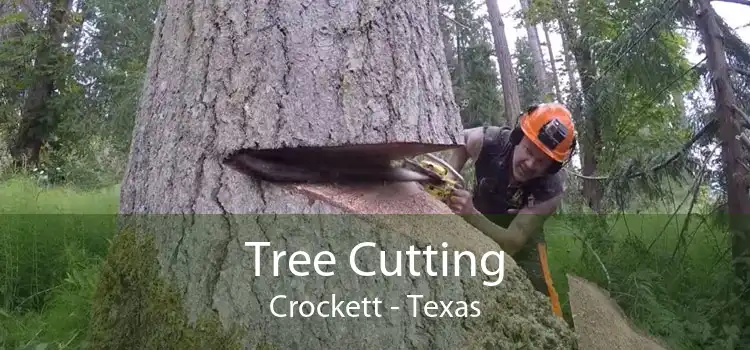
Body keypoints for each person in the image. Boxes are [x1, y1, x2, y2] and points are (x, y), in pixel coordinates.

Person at [445, 103, 577, 319]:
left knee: (543, 297)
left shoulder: (551, 188)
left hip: (522, 240)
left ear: (552, 167)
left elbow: (513, 243)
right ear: (518, 137)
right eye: (528, 150)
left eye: (542, 161)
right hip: (479, 216)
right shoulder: (491, 140)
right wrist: (450, 178)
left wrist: (469, 214)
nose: (530, 164)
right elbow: (462, 141)